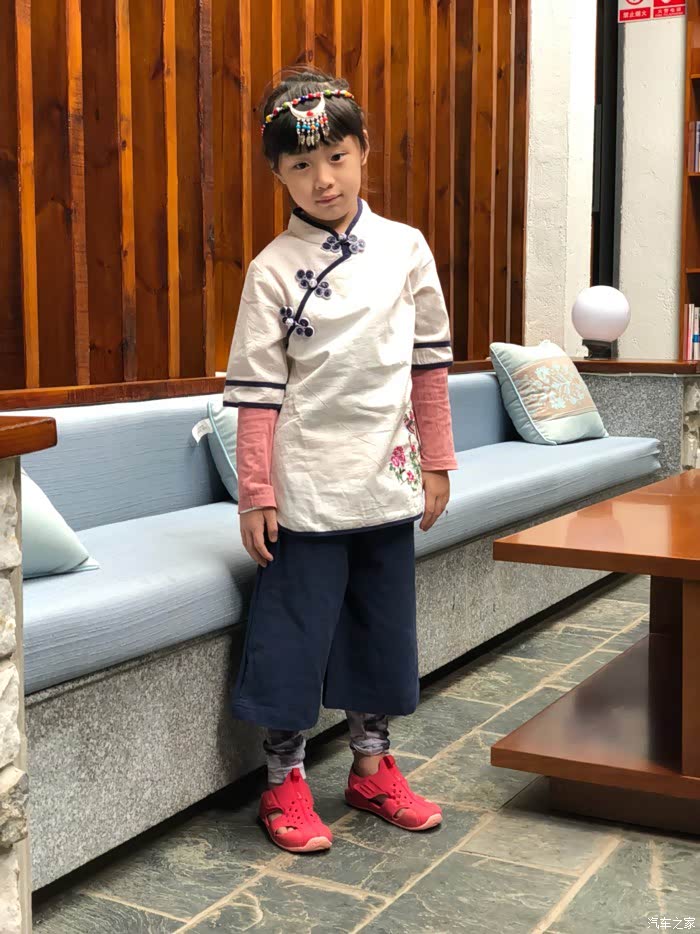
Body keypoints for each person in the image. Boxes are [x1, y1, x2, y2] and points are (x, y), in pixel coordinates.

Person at [224, 69, 458, 854]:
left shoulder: (407, 248)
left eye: (336, 157)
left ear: (363, 152)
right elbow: (256, 394)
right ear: (277, 173)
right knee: (293, 632)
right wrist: (256, 491)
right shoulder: (270, 269)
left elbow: (429, 365)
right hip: (305, 483)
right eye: (300, 164)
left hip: (388, 472)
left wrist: (438, 459)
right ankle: (283, 780)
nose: (322, 179)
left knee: (379, 627)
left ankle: (372, 766)